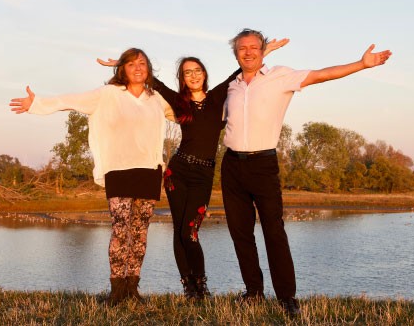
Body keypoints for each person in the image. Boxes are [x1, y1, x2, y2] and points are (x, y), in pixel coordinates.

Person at [221, 28, 391, 316]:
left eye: (254, 47)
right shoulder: (231, 86)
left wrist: (361, 64)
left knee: (274, 232)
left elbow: (322, 74)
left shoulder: (280, 76)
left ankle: (287, 298)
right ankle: (253, 293)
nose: (248, 52)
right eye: (242, 48)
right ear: (235, 53)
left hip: (263, 164)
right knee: (240, 234)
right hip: (231, 165)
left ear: (263, 51)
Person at [97, 41, 285, 300]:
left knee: (190, 232)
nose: (193, 75)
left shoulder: (218, 96)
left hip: (203, 175)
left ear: (205, 74)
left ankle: (200, 282)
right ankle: (190, 287)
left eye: (197, 70)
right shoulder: (178, 101)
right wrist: (121, 64)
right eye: (187, 72)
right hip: (177, 173)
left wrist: (265, 52)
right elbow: (152, 81)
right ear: (182, 78)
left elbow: (239, 71)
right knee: (179, 230)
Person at [10, 48, 174, 305]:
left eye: (142, 63)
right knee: (121, 229)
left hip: (148, 171)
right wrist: (38, 104)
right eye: (131, 64)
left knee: (140, 232)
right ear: (122, 70)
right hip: (118, 170)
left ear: (149, 69)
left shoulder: (157, 98)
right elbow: (70, 100)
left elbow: (187, 114)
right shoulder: (107, 94)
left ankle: (133, 288)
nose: (138, 68)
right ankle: (117, 290)